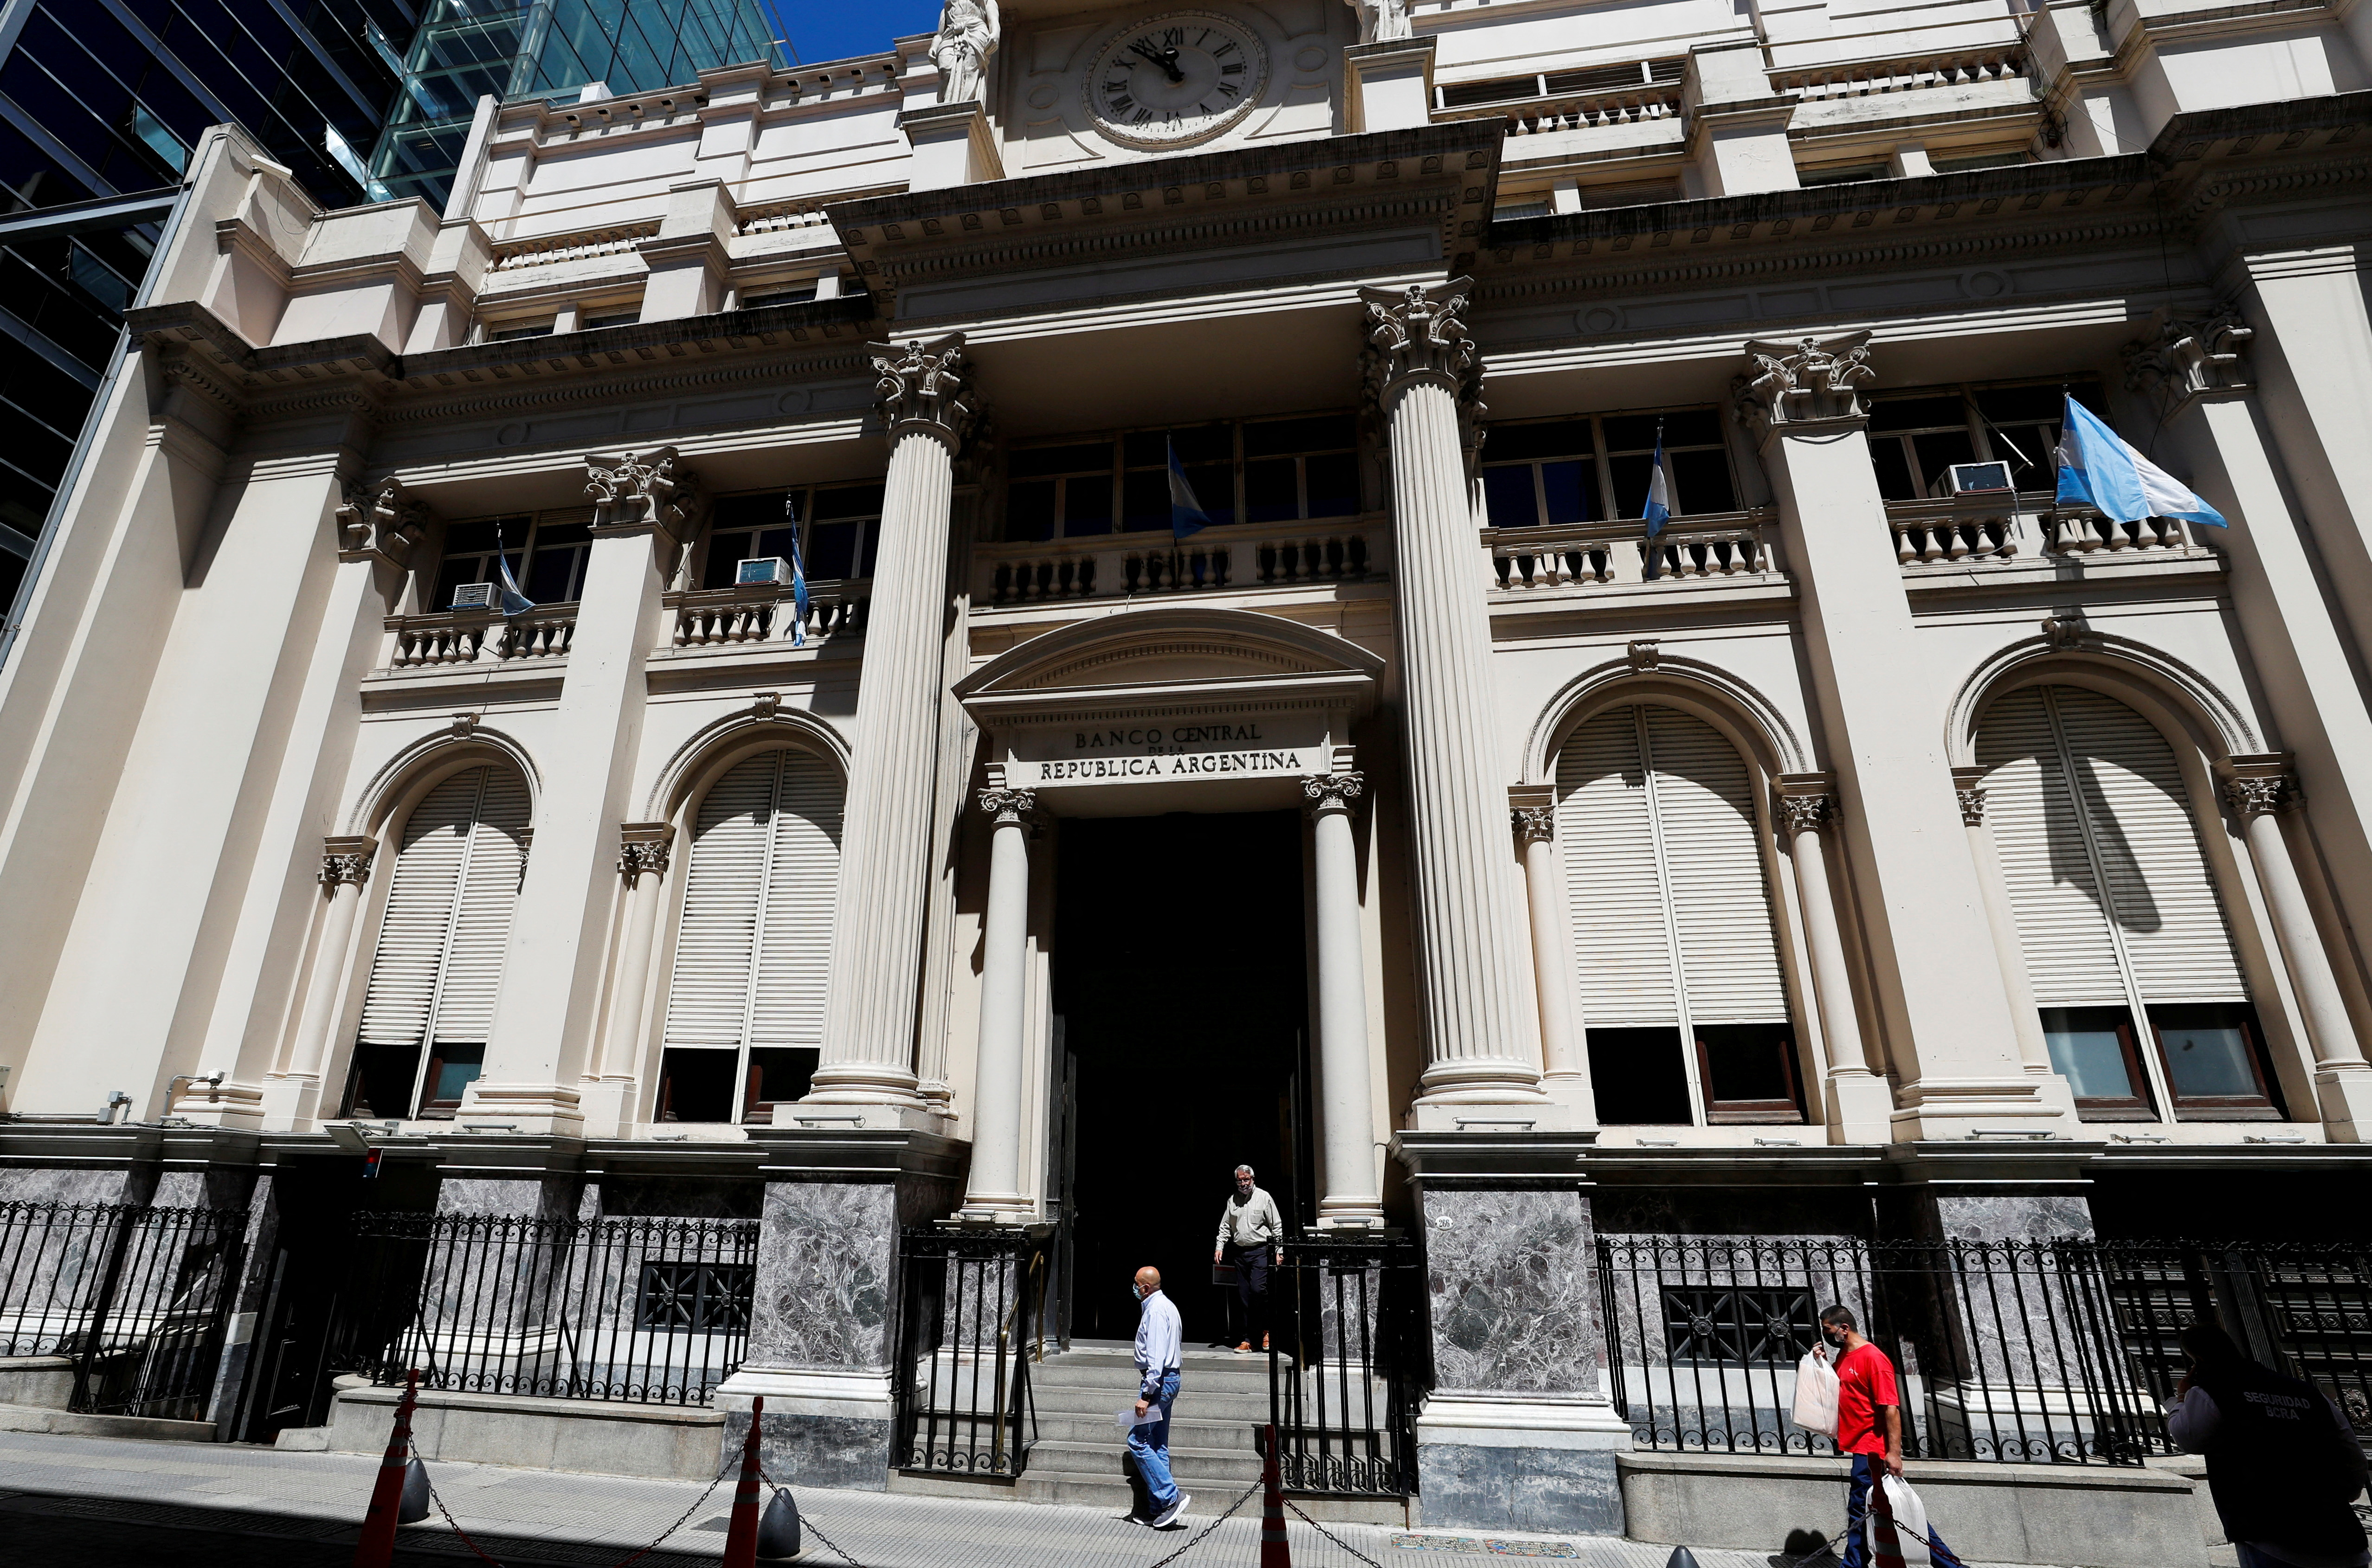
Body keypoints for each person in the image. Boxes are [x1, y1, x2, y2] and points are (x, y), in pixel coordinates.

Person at [2167, 1322, 2370, 1568]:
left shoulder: (2213, 1392)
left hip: (2269, 1533)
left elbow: (2188, 1437)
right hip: (2337, 1532)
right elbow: (2352, 1452)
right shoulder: (2305, 1392)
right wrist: (2344, 1494)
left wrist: (2181, 1398)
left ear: (2197, 1360)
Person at [1819, 1305, 1963, 1568]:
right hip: (1860, 1447)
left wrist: (1894, 1453)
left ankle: (1853, 1566)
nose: (1825, 1334)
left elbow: (1891, 1409)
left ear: (1844, 1329)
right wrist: (1820, 1363)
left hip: (1872, 1449)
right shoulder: (1844, 1356)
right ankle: (1952, 1566)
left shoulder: (1873, 1359)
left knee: (1861, 1510)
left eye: (1828, 1329)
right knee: (1892, 1513)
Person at [1128, 1265, 1189, 1529]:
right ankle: (1159, 1508)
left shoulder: (1154, 1310)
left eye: (1136, 1283)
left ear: (1145, 1287)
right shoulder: (1169, 1305)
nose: (1133, 1287)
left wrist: (1146, 1394)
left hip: (1159, 1382)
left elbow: (1155, 1357)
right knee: (1158, 1443)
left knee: (1137, 1441)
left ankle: (1171, 1496)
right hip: (1170, 1379)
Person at [1212, 1164, 1282, 1353]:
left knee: (1258, 1291)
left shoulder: (1264, 1197)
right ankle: (1248, 1339)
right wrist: (1220, 1247)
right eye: (1240, 1180)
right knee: (1244, 1297)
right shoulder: (1232, 1200)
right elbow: (1226, 1226)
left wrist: (1278, 1251)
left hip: (1260, 1251)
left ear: (1253, 1179)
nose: (1243, 1183)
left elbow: (1276, 1225)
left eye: (1246, 1180)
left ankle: (1267, 1332)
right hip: (1241, 1254)